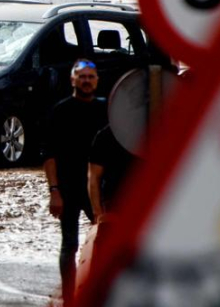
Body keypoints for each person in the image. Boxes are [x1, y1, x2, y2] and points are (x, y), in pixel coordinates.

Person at [40, 60, 108, 306]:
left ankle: (98, 292)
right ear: (72, 80)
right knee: (69, 244)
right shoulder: (60, 111)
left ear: (97, 80)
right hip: (68, 187)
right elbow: (49, 155)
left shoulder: (107, 110)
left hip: (97, 189)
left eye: (91, 76)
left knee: (104, 242)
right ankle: (69, 296)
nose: (86, 81)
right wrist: (54, 191)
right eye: (82, 77)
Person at [88, 123, 138, 227]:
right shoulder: (106, 135)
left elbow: (93, 178)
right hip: (114, 202)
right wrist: (97, 212)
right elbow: (93, 178)